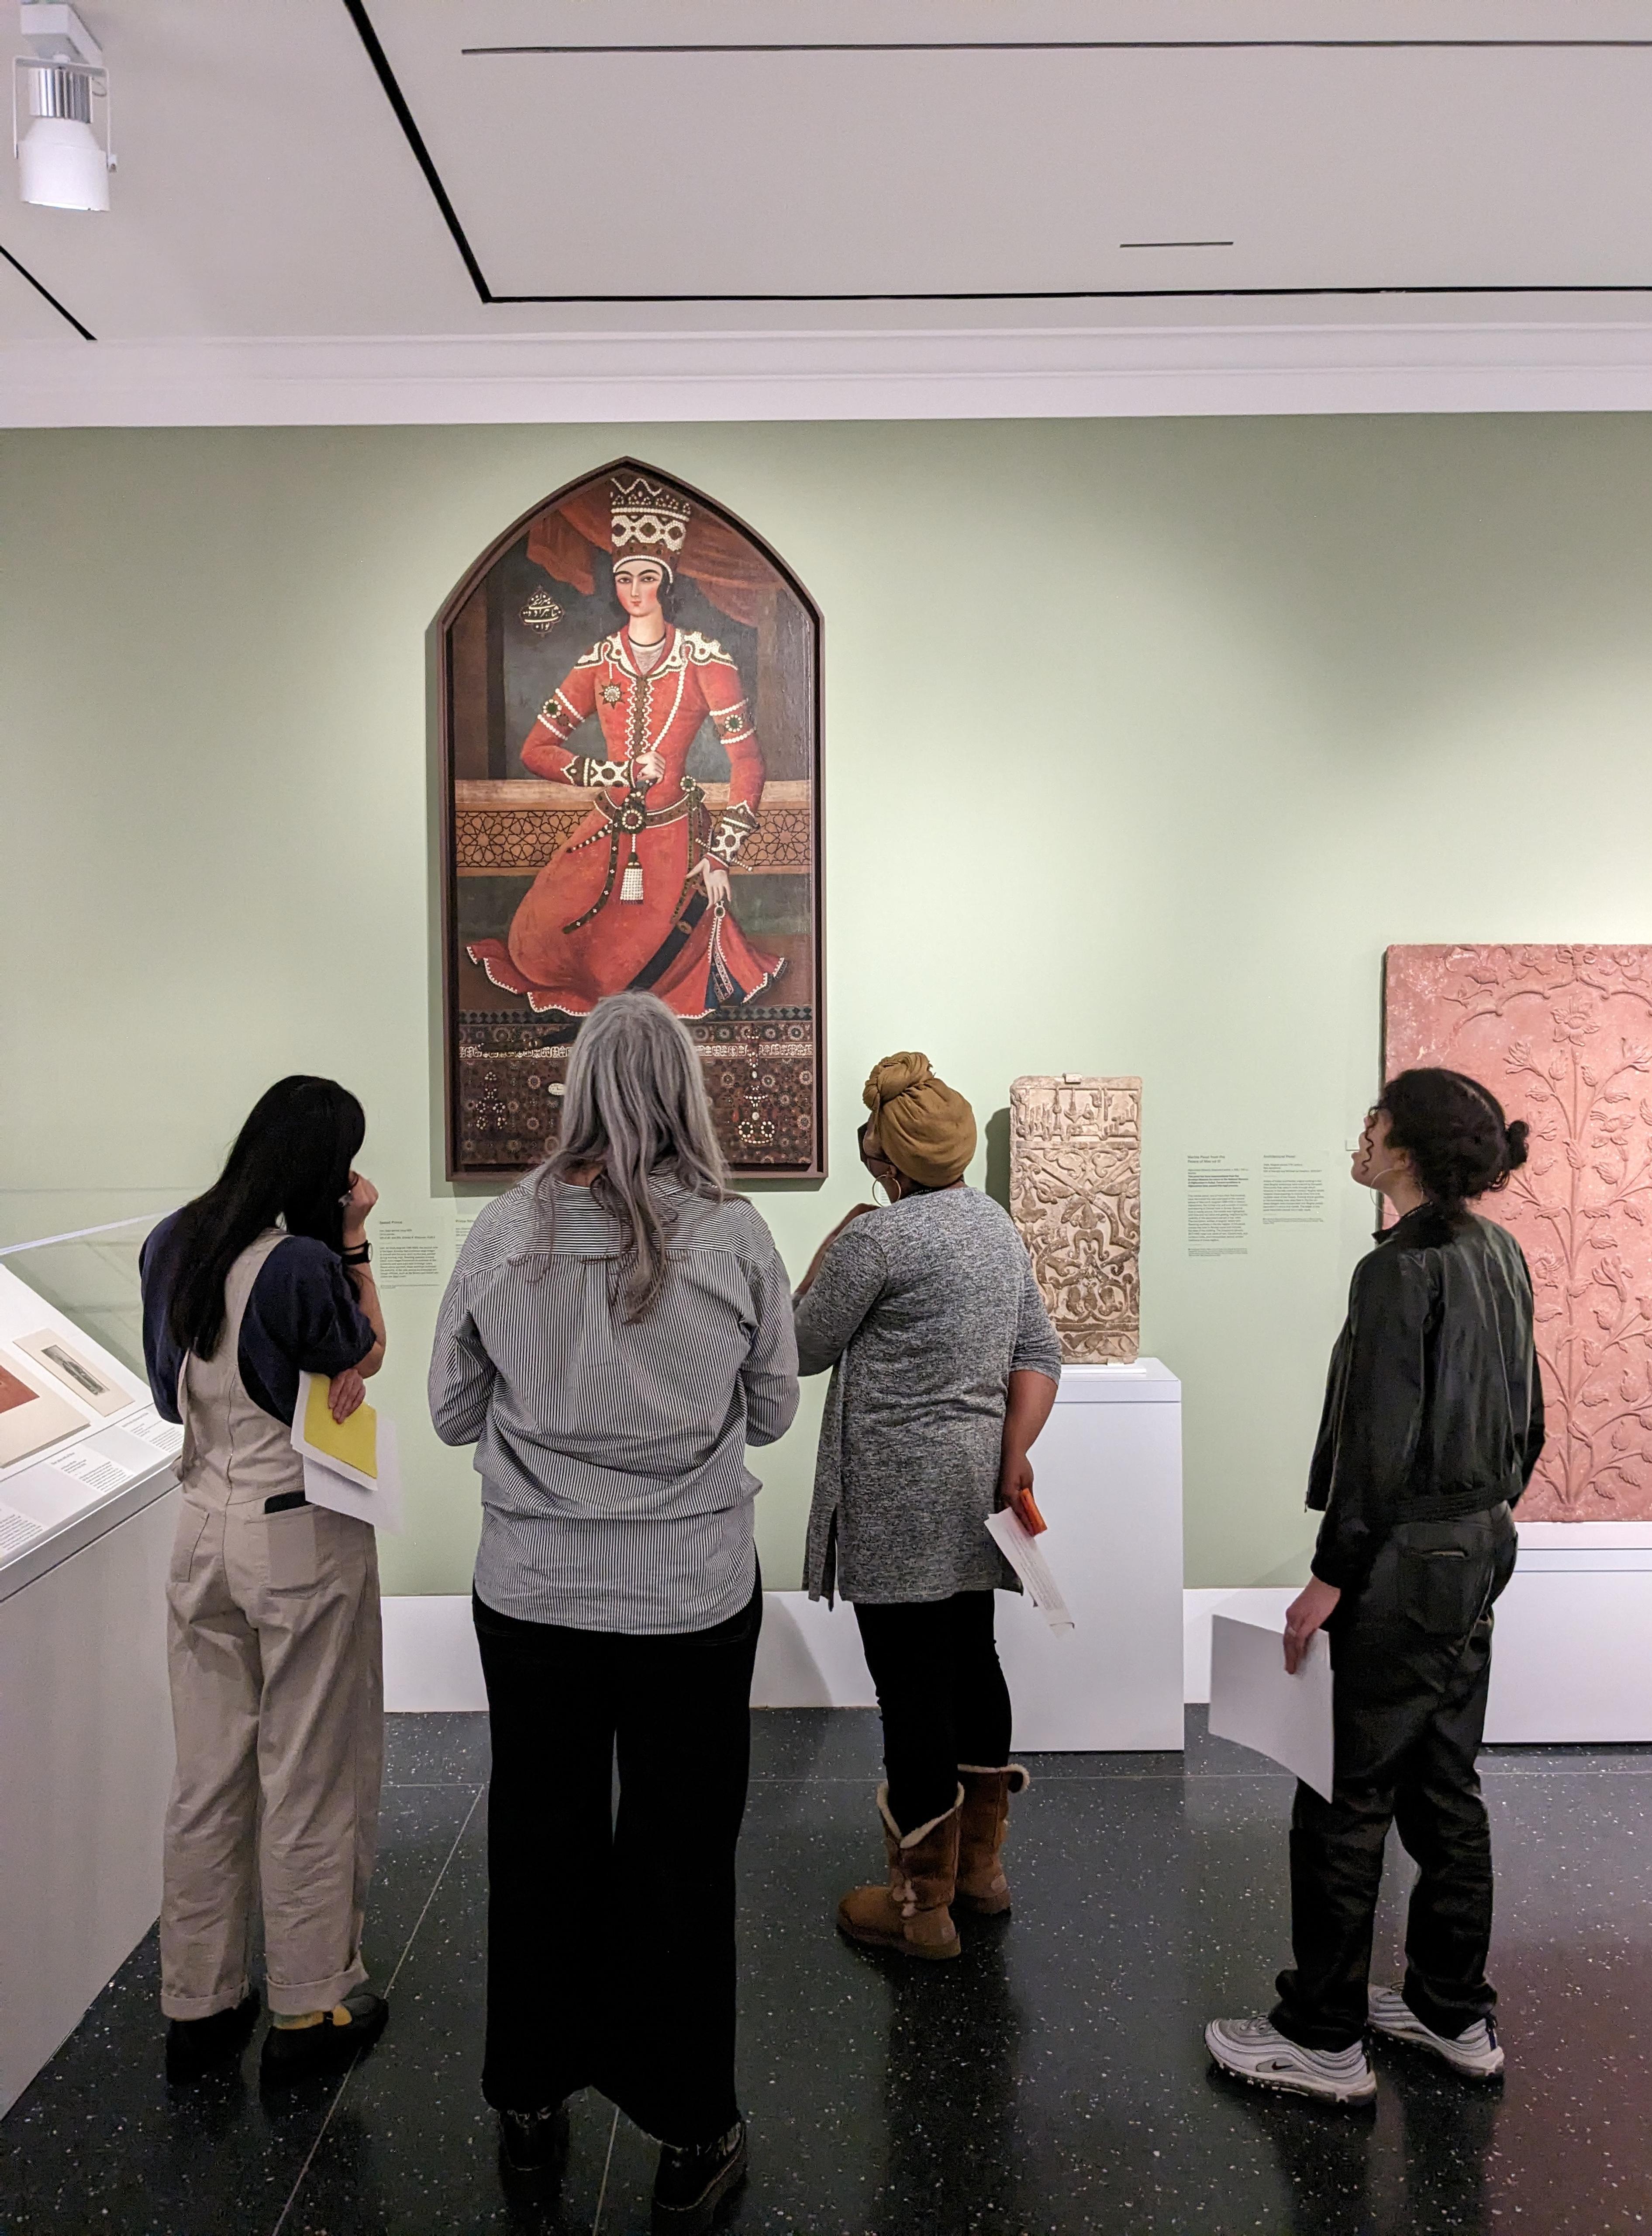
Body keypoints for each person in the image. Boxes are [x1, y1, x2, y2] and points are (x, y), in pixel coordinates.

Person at [428, 991, 797, 2231]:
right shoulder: (736, 1237)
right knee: (683, 1857)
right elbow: (772, 1411)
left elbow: (448, 1408)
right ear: (686, 1089)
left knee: (540, 1838)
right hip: (688, 1597)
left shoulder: (502, 1235)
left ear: (575, 1087)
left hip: (532, 1593)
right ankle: (692, 2127)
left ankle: (529, 2110)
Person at [1207, 1068, 1544, 2104]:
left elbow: (1376, 1445)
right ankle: (1450, 2010)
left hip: (1406, 1558)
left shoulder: (1397, 1271)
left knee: (1343, 1793)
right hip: (1479, 1541)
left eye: (1371, 1121)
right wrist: (1473, 1525)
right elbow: (1529, 1420)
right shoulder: (1500, 1252)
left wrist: (1329, 1575)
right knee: (1443, 1784)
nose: (1358, 1136)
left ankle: (1322, 2034)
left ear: (1402, 1145)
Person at [139, 1076, 389, 2087]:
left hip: (198, 1519)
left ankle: (198, 2002)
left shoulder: (172, 1239)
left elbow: (167, 1396)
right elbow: (363, 1350)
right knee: (309, 1771)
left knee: (205, 1775)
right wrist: (358, 1244)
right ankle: (308, 2002)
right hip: (295, 1530)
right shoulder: (296, 1262)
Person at [793, 1052, 1062, 1961]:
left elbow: (800, 1345)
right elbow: (1040, 1351)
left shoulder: (880, 1239)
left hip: (894, 1495)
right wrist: (1013, 1456)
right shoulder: (994, 1226)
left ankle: (922, 1909)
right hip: (974, 1486)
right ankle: (980, 1874)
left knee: (909, 1690)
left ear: (888, 1160)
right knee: (971, 1663)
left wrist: (833, 1243)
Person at [466, 472, 784, 1020]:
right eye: (624, 579)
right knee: (535, 944)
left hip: (674, 843)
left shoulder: (705, 659)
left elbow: (748, 763)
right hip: (607, 830)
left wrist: (720, 855)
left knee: (631, 972)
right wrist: (610, 773)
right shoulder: (597, 661)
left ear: (666, 582)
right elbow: (537, 749)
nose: (635, 591)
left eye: (647, 578)